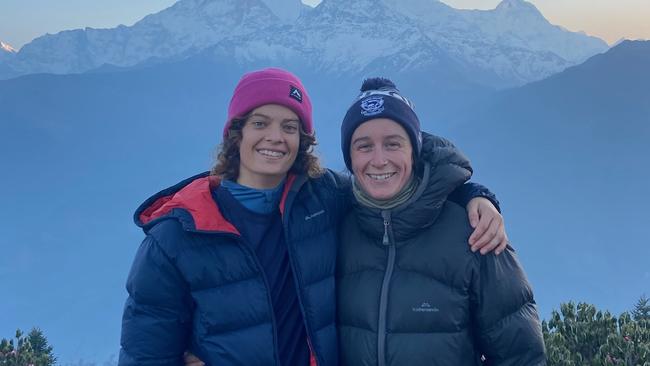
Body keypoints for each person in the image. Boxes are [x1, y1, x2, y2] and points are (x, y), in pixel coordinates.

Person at [118, 68, 507, 366]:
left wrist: (472, 194)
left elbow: (390, 180)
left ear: (303, 140)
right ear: (235, 133)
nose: (275, 136)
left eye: (290, 126)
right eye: (259, 123)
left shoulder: (322, 198)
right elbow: (144, 353)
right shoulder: (176, 236)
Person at [336, 77, 546, 365]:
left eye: (393, 143)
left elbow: (521, 356)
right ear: (349, 157)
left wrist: (474, 193)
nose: (379, 159)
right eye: (364, 146)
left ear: (415, 150)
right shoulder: (335, 227)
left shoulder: (476, 233)